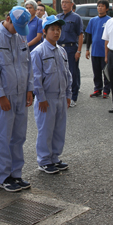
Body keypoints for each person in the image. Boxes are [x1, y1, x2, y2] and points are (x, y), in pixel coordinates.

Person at [0, 6, 33, 192]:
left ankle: (16, 174)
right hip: (6, 96)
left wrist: (30, 89)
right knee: (5, 137)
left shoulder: (21, 36)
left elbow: (27, 64)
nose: (18, 31)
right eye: (16, 27)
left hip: (22, 93)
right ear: (8, 19)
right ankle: (4, 177)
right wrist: (1, 95)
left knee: (19, 136)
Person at [31, 15, 72, 174]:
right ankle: (44, 160)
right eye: (53, 29)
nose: (56, 32)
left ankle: (55, 157)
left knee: (59, 129)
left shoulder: (61, 51)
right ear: (44, 31)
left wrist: (68, 94)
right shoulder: (38, 52)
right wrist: (40, 98)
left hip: (61, 96)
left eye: (58, 29)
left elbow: (67, 74)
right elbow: (36, 77)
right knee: (46, 130)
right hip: (47, 98)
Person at [57, 0, 83, 108]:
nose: (64, 4)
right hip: (59, 47)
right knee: (59, 72)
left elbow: (80, 35)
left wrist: (79, 51)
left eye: (66, 2)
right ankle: (62, 95)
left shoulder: (76, 18)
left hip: (71, 48)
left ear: (72, 4)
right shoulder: (58, 17)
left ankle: (73, 97)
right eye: (62, 2)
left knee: (72, 72)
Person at [85, 0, 111, 99]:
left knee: (106, 72)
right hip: (95, 51)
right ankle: (97, 89)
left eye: (102, 6)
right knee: (96, 72)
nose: (100, 8)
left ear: (107, 8)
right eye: (98, 6)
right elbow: (89, 35)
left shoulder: (109, 20)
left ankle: (106, 90)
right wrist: (87, 49)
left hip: (105, 51)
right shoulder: (93, 20)